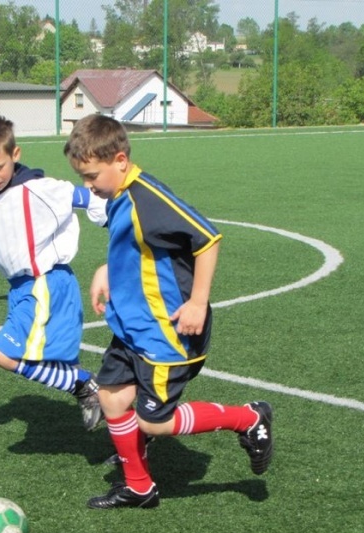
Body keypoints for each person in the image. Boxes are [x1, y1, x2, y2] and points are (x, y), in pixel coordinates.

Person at [63, 114, 274, 509]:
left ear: (120, 159)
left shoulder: (148, 198)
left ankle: (248, 419)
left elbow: (207, 238)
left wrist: (196, 302)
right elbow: (140, 247)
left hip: (166, 331)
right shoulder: (119, 196)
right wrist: (106, 269)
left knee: (153, 422)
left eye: (92, 176)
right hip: (131, 326)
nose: (88, 186)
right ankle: (140, 487)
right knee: (111, 400)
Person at [0, 114, 106, 431]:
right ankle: (131, 430)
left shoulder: (38, 189)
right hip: (20, 289)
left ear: (15, 155)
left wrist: (124, 228)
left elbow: (89, 198)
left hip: (46, 284)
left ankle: (85, 385)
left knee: (3, 354)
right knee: (53, 362)